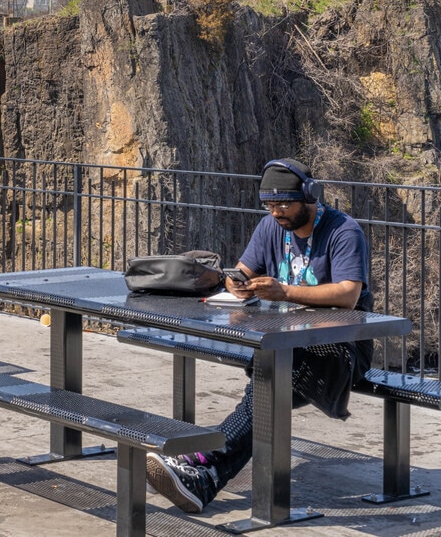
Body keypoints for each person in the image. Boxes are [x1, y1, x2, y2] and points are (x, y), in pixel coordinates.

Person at [146, 157, 373, 514]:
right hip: (288, 344)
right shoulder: (270, 226)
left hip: (341, 350)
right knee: (266, 388)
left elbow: (348, 294)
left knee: (268, 386)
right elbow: (243, 270)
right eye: (270, 205)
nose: (277, 212)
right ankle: (204, 478)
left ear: (309, 195)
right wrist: (236, 283)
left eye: (284, 204)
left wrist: (284, 292)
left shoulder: (343, 231)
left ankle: (205, 460)